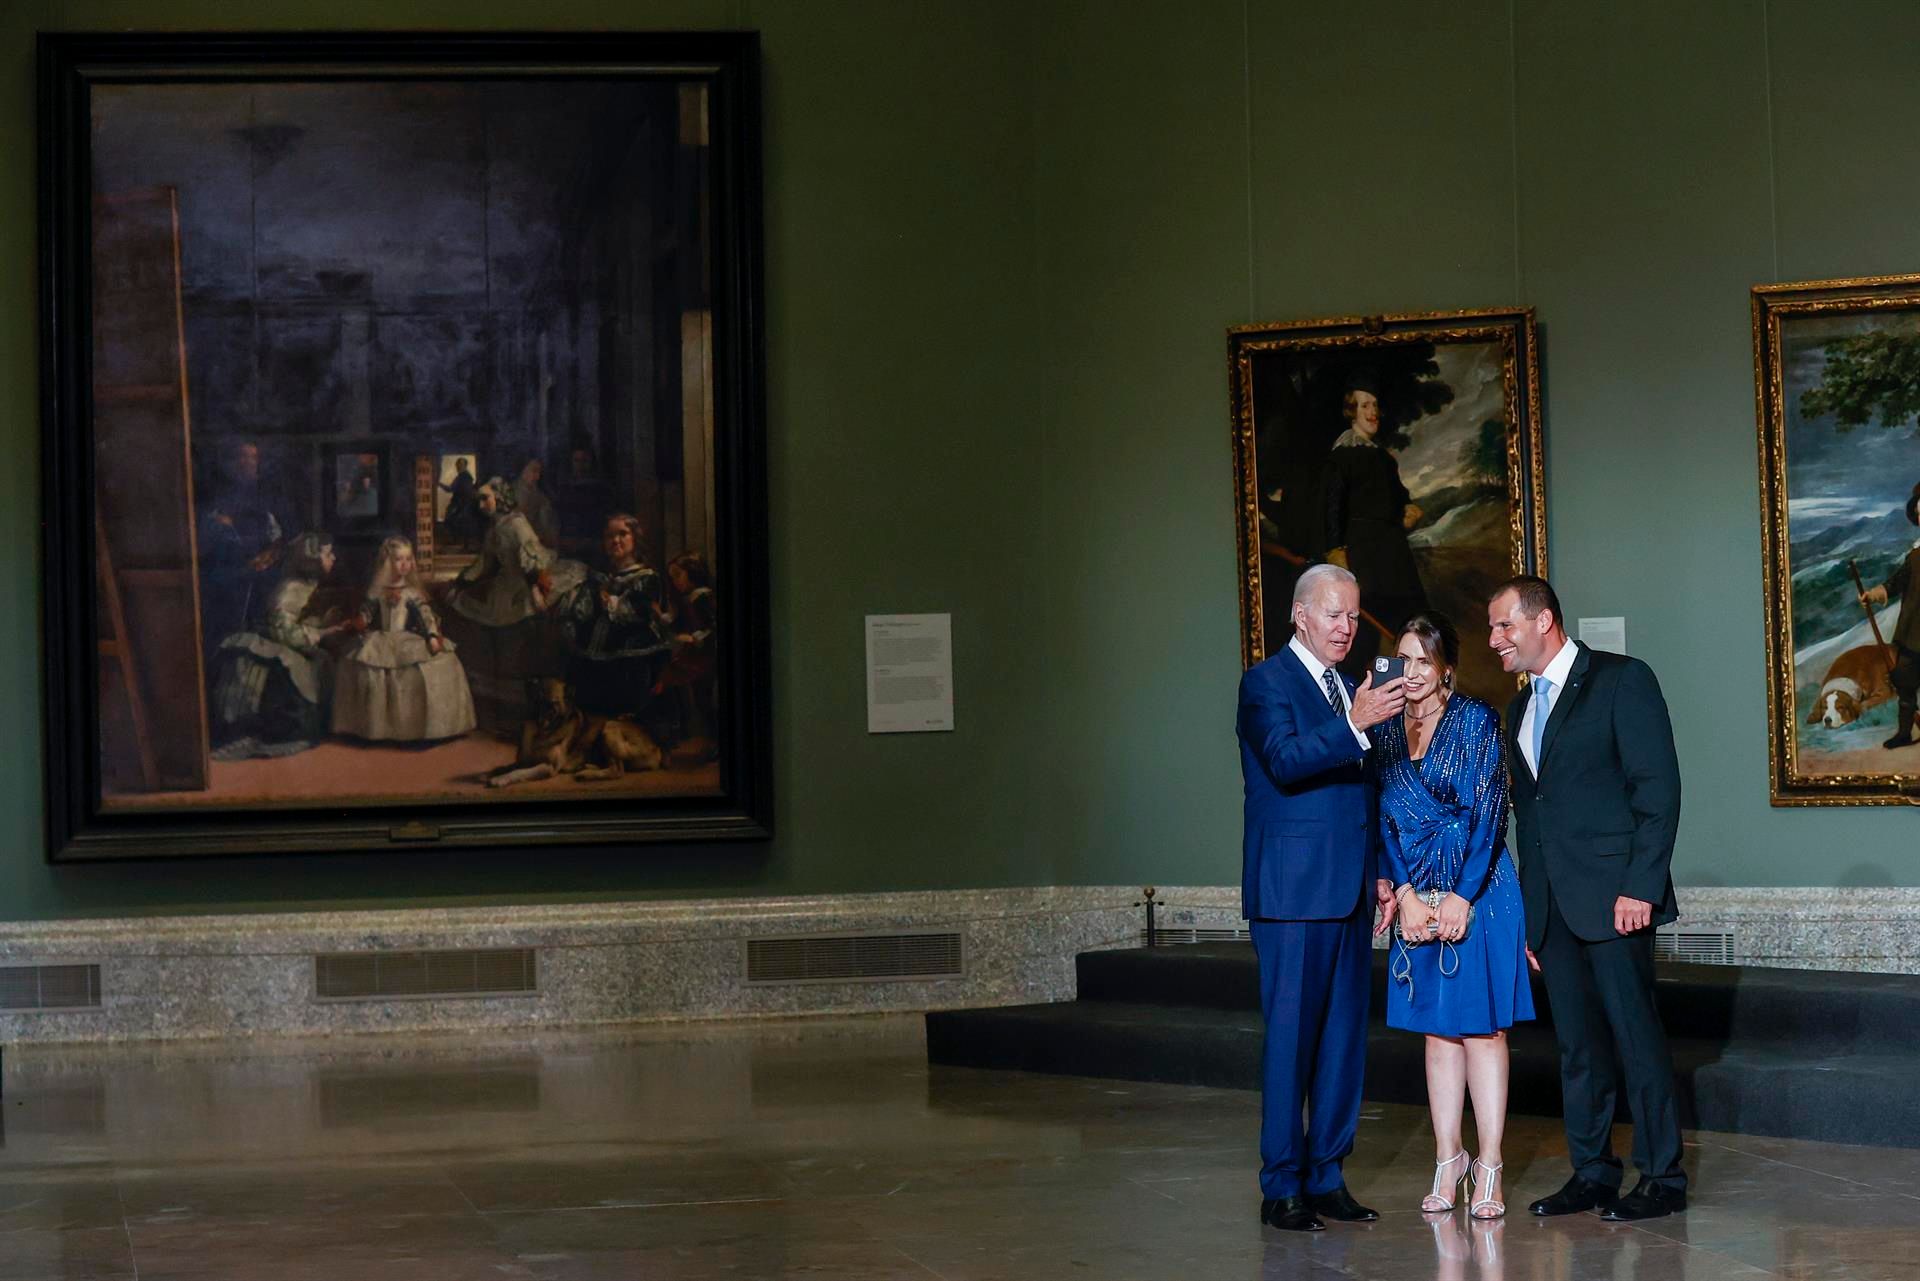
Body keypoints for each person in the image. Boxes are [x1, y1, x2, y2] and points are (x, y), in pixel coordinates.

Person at [1488, 575, 1687, 1222]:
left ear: (1542, 619)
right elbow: (1529, 813)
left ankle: (1661, 1176)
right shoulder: (1519, 709)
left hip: (1616, 898)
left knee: (1636, 1039)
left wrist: (1641, 884)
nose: (1494, 640)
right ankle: (1593, 1171)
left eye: (1503, 626)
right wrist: (1528, 912)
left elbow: (1657, 790)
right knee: (1577, 1047)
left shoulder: (1622, 680)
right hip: (1553, 907)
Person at [1237, 562, 1406, 1232]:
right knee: (1290, 1041)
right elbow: (1283, 759)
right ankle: (1281, 1184)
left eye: (1354, 616)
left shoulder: (1348, 686)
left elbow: (1369, 791)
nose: (1346, 627)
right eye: (1334, 614)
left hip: (1351, 890)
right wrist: (1357, 722)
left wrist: (1383, 871)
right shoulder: (1264, 683)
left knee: (1342, 1042)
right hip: (1291, 895)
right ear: (1299, 615)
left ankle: (1328, 1174)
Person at [1375, 612, 1534, 1220]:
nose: (1411, 673)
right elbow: (1384, 820)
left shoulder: (1475, 720)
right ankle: (1449, 1157)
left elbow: (1491, 814)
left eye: (1423, 661)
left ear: (1446, 669)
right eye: (1403, 660)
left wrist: (1461, 897)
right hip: (1418, 896)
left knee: (1481, 1031)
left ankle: (1489, 1163)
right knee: (1437, 1033)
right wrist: (1410, 895)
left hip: (1482, 892)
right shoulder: (1385, 728)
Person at [209, 531, 350, 758]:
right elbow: (281, 630)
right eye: (327, 554)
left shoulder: (308, 583)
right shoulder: (291, 588)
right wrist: (320, 634)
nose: (333, 558)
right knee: (298, 676)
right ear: (311, 559)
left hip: (292, 639)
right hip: (277, 645)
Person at [331, 537, 477, 743]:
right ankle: (378, 729)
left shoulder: (412, 592)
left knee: (440, 664)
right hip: (381, 639)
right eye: (399, 559)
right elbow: (367, 614)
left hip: (406, 640)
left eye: (409, 559)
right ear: (387, 562)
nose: (405, 564)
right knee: (361, 665)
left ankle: (417, 729)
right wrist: (358, 622)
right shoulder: (377, 592)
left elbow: (426, 616)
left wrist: (433, 636)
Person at [1323, 385, 1427, 653]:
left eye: (1375, 405)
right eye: (1365, 405)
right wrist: (1337, 552)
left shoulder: (1383, 457)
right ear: (1352, 412)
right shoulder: (1342, 456)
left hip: (1394, 550)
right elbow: (1333, 507)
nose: (1373, 412)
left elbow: (1399, 495)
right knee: (1369, 623)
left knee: (1412, 618)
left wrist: (1408, 508)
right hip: (1363, 551)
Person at [551, 513, 674, 722]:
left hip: (630, 659)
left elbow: (636, 613)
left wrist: (609, 601)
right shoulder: (600, 578)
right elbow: (582, 613)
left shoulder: (647, 578)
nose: (615, 540)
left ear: (635, 539)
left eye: (623, 534)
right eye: (609, 536)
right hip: (596, 658)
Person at [1857, 480, 1920, 749]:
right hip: (1913, 632)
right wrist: (1873, 594)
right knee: (1905, 684)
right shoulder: (1915, 557)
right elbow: (1896, 582)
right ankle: (1904, 733)